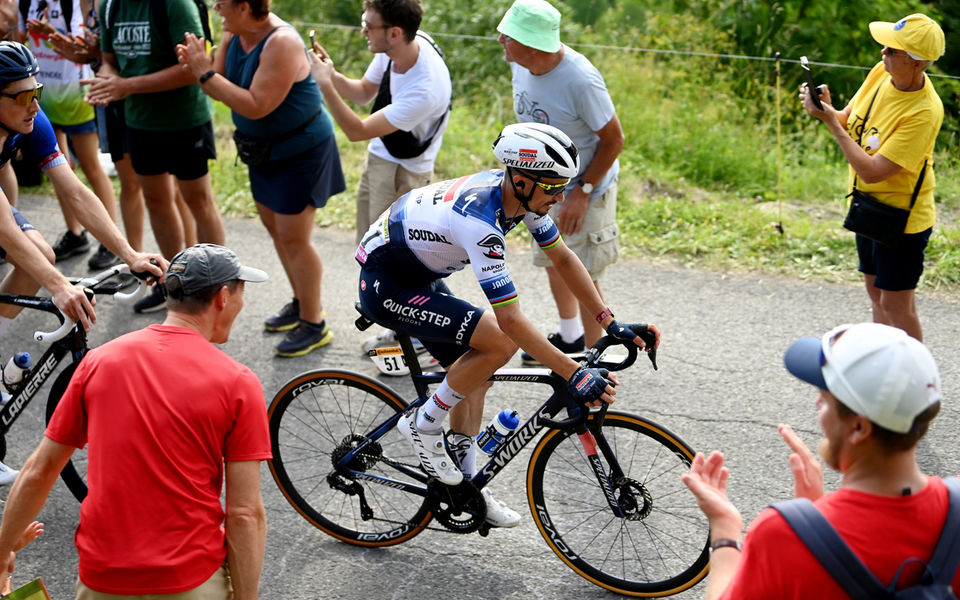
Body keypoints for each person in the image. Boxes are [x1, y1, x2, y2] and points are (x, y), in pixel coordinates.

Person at [356, 122, 658, 527]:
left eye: (564, 186)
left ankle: (464, 485)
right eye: (553, 187)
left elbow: (564, 258)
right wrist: (572, 372)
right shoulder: (480, 221)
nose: (561, 196)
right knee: (499, 344)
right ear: (520, 178)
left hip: (414, 273)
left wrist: (609, 322)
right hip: (385, 282)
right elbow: (511, 320)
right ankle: (423, 424)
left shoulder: (520, 199)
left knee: (477, 373)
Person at [0, 243, 271, 599]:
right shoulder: (237, 383)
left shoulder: (99, 362)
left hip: (102, 580)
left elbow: (40, 469)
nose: (242, 303)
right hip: (189, 580)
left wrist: (2, 550)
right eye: (241, 293)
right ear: (223, 297)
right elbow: (245, 513)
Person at [681, 322, 956, 598]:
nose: (816, 404)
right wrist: (819, 519)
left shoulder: (782, 536)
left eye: (825, 399)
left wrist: (725, 532)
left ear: (859, 428)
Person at [177, 0, 345, 357]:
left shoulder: (281, 42)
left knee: (294, 238)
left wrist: (203, 73)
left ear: (244, 5)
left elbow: (256, 104)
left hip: (302, 150)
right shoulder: (234, 32)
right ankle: (302, 302)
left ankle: (314, 323)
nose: (216, 8)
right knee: (274, 229)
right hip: (264, 151)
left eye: (222, 3)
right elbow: (217, 81)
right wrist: (198, 68)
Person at [0, 40, 165, 337]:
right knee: (38, 262)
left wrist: (130, 255)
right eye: (25, 97)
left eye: (37, 92)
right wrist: (60, 286)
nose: (36, 106)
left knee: (40, 257)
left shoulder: (33, 121)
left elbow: (75, 192)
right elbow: (4, 230)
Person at [800, 14, 944, 342]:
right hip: (869, 209)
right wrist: (824, 110)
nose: (883, 54)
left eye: (893, 51)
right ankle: (882, 366)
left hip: (902, 220)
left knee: (896, 306)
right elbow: (848, 120)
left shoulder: (924, 111)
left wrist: (831, 124)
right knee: (875, 295)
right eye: (885, 46)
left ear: (919, 63)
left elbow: (873, 170)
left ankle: (917, 378)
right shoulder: (882, 72)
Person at [496, 0, 624, 362]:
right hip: (543, 188)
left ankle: (592, 358)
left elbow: (615, 140)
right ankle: (570, 338)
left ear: (533, 44)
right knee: (553, 259)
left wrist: (581, 193)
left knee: (582, 270)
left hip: (586, 187)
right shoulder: (521, 64)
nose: (500, 38)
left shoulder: (580, 79)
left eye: (509, 35)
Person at [85, 0, 227, 313]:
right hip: (139, 121)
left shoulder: (176, 4)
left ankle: (217, 284)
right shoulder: (110, 6)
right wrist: (106, 80)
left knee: (198, 201)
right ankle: (175, 284)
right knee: (156, 200)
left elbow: (193, 68)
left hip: (185, 118)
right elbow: (109, 59)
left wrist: (126, 85)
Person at [310, 0, 450, 244]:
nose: (363, 30)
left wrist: (324, 85)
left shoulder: (425, 89)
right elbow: (363, 93)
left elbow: (357, 131)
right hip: (380, 155)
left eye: (368, 25)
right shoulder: (396, 49)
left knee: (386, 255)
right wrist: (331, 75)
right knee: (366, 245)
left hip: (403, 172)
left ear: (394, 33)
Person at [20, 0, 121, 270]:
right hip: (43, 96)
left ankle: (110, 241)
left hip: (77, 94)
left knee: (91, 167)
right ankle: (75, 233)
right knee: (57, 164)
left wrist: (49, 31)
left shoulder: (76, 3)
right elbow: (21, 41)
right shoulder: (25, 2)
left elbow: (82, 47)